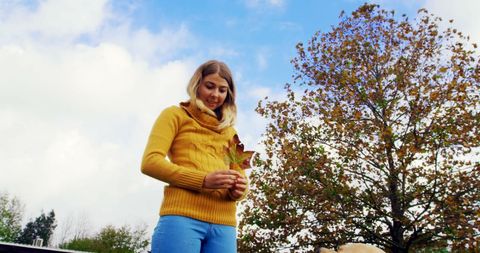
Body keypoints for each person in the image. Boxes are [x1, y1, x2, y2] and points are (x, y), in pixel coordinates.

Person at [141, 60, 248, 253]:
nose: (215, 94)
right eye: (210, 86)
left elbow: (242, 178)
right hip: (182, 217)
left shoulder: (231, 132)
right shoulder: (174, 115)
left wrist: (239, 189)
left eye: (222, 90)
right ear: (197, 85)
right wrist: (203, 180)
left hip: (225, 224)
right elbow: (150, 162)